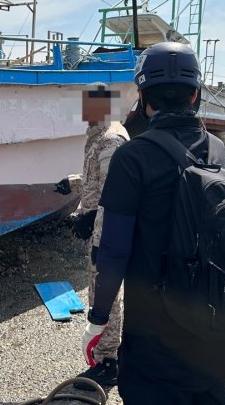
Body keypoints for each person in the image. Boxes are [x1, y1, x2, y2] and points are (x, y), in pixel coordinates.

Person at [83, 42, 225, 404]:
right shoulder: (222, 154)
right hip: (217, 335)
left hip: (155, 338)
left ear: (142, 96)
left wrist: (99, 318)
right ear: (195, 95)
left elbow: (113, 251)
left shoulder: (132, 158)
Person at [70, 82, 128, 390]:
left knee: (106, 297)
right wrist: (71, 183)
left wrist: (91, 220)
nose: (86, 111)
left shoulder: (112, 140)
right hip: (98, 230)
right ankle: (105, 356)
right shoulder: (98, 136)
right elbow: (94, 178)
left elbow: (113, 193)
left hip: (105, 234)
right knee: (99, 293)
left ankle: (109, 362)